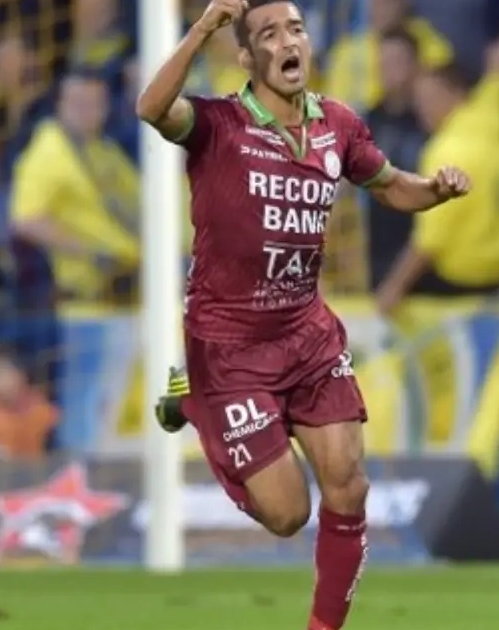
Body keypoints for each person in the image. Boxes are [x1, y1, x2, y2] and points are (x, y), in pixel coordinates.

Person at [134, 2, 470, 630]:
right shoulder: (218, 124)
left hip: (306, 334)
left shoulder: (337, 124)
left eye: (294, 29)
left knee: (349, 485)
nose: (288, 41)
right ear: (246, 57)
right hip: (229, 348)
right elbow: (151, 108)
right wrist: (203, 27)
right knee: (288, 514)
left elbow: (389, 184)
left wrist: (435, 190)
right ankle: (197, 401)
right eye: (268, 34)